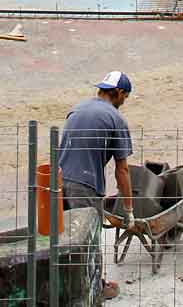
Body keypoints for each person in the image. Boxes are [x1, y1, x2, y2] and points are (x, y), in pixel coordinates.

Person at [57, 71, 136, 301]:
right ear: (119, 93)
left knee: (64, 238)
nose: (124, 102)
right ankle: (96, 289)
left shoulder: (77, 109)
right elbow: (122, 169)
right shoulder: (115, 118)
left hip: (59, 181)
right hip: (85, 184)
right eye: (125, 97)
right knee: (89, 239)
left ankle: (65, 287)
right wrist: (129, 210)